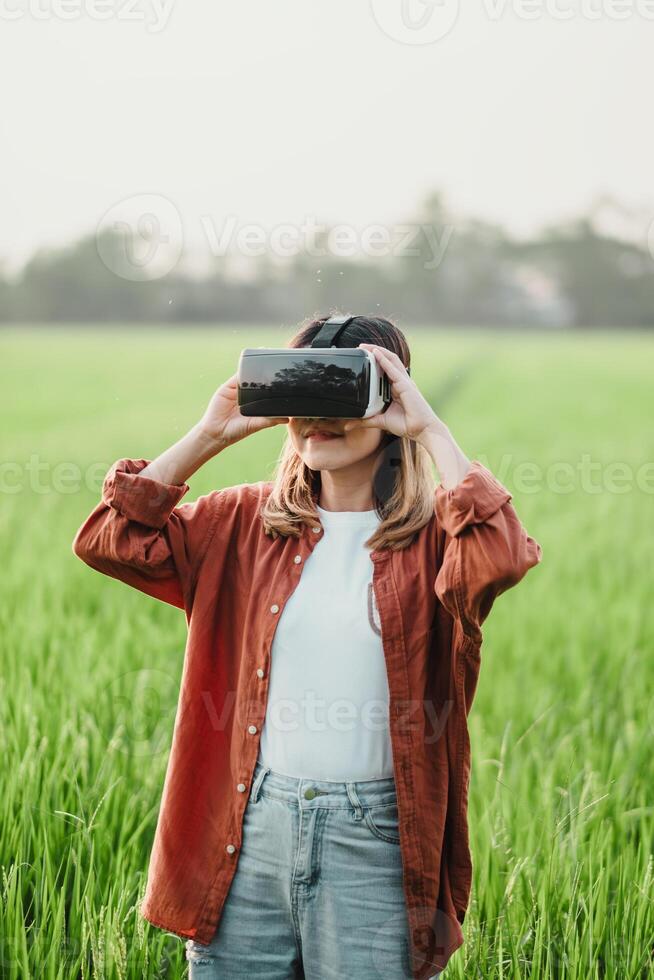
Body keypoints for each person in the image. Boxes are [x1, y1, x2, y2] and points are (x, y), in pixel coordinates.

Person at [72, 313, 542, 979]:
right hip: (246, 834)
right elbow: (110, 539)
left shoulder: (438, 538)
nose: (316, 418)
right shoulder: (238, 523)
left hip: (375, 843)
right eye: (299, 394)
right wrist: (210, 433)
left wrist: (431, 430)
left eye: (339, 393)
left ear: (389, 401)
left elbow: (500, 555)